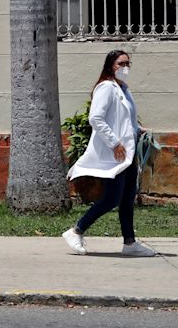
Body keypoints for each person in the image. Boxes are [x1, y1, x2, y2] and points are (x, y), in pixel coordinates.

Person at [62, 50, 156, 257]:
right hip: (117, 153)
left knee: (127, 198)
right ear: (110, 66)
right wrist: (114, 143)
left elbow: (123, 120)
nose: (125, 67)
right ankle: (76, 230)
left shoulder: (123, 89)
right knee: (112, 198)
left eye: (127, 63)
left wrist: (137, 131)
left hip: (128, 152)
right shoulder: (106, 87)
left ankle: (129, 243)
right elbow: (96, 118)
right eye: (120, 63)